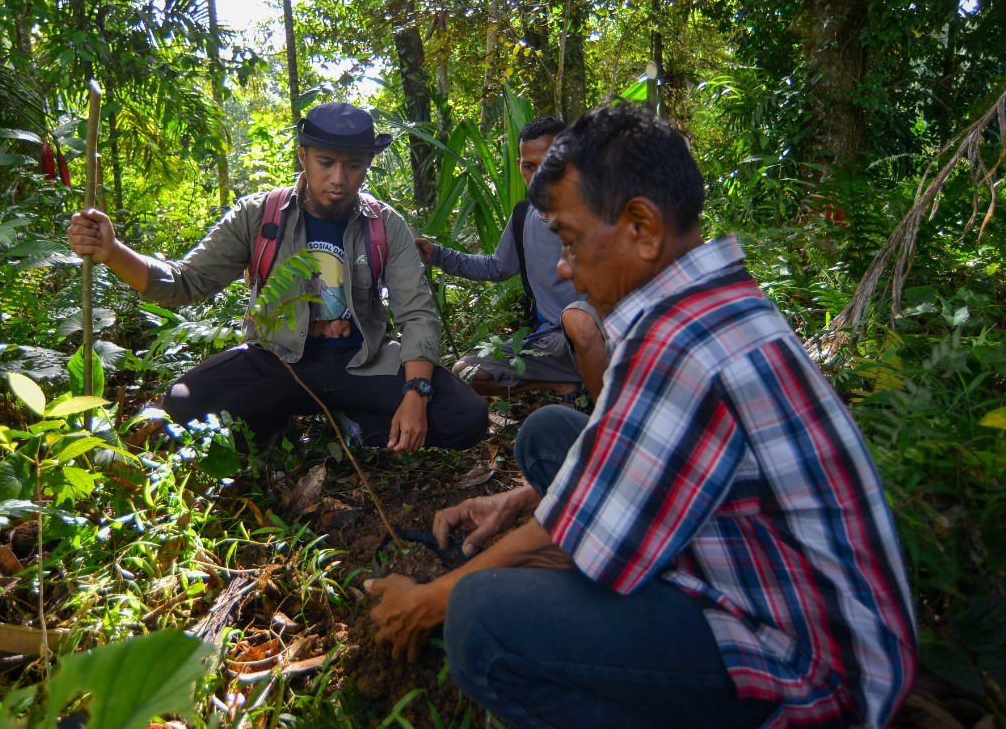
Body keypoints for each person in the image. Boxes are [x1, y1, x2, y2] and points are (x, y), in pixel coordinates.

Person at [366, 103, 917, 727]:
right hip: (781, 591)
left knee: (481, 619)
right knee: (552, 436)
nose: (563, 267)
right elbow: (631, 457)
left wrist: (431, 599)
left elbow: (586, 519)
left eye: (570, 241)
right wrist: (517, 502)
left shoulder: (678, 344)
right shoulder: (705, 304)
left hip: (811, 664)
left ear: (641, 228)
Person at [67, 102, 488, 454]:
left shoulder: (385, 224)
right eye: (326, 163)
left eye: (354, 166)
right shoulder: (258, 215)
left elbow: (416, 313)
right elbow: (185, 282)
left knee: (464, 419)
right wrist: (111, 252)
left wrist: (415, 393)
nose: (339, 179)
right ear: (303, 156)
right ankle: (282, 421)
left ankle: (352, 426)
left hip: (361, 362)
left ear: (367, 166)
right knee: (183, 405)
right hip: (278, 360)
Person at [414, 116, 608, 402]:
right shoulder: (523, 216)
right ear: (520, 167)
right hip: (549, 341)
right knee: (465, 370)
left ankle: (603, 409)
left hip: (600, 339)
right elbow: (497, 267)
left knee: (581, 324)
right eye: (530, 166)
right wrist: (439, 256)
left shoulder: (601, 212)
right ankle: (564, 384)